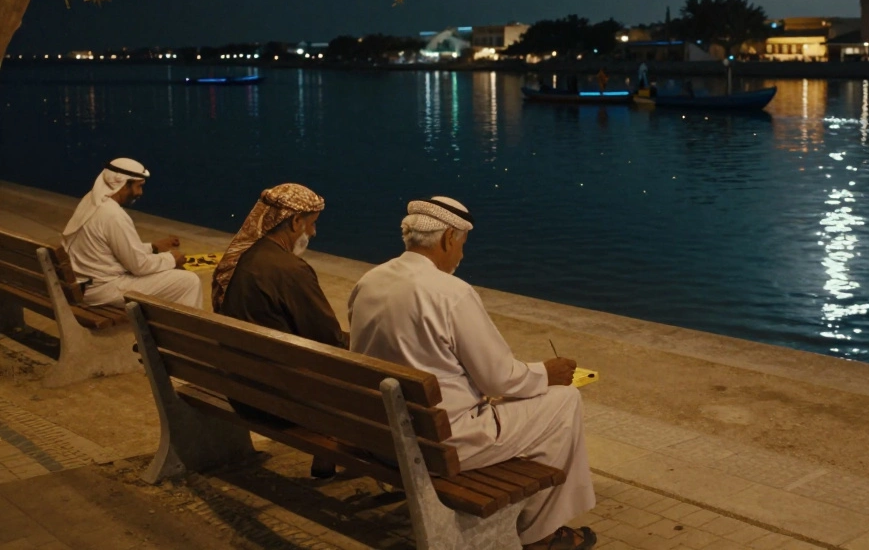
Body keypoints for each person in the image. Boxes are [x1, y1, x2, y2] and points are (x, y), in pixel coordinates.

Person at [349, 198, 596, 550]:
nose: (461, 256)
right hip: (441, 444)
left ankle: (533, 519)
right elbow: (501, 378)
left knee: (531, 404)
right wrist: (547, 372)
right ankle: (540, 534)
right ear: (449, 237)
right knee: (564, 401)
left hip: (381, 435)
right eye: (462, 244)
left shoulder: (369, 281)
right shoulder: (451, 293)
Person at [212, 183, 346, 479]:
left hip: (240, 389)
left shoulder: (240, 259)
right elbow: (329, 340)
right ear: (295, 221)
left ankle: (325, 460)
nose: (312, 234)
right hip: (277, 402)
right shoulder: (289, 270)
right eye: (311, 225)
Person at [62, 159, 201, 308]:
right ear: (123, 184)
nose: (140, 193)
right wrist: (171, 258)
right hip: (102, 289)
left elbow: (112, 250)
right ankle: (185, 330)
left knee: (170, 274)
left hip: (85, 285)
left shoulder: (90, 200)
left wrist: (152, 247)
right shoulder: (113, 215)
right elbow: (139, 266)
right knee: (188, 281)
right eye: (138, 186)